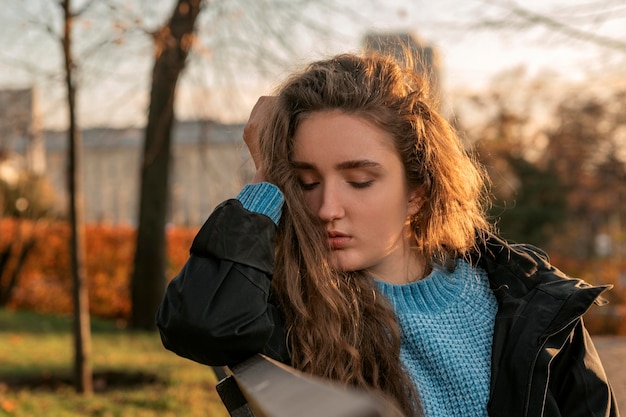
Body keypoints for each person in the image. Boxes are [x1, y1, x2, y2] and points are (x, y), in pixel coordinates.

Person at [156, 52, 619, 417]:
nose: (325, 209)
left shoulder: (530, 298)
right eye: (306, 182)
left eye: (359, 181)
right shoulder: (285, 299)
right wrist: (264, 180)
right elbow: (202, 326)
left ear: (417, 192)